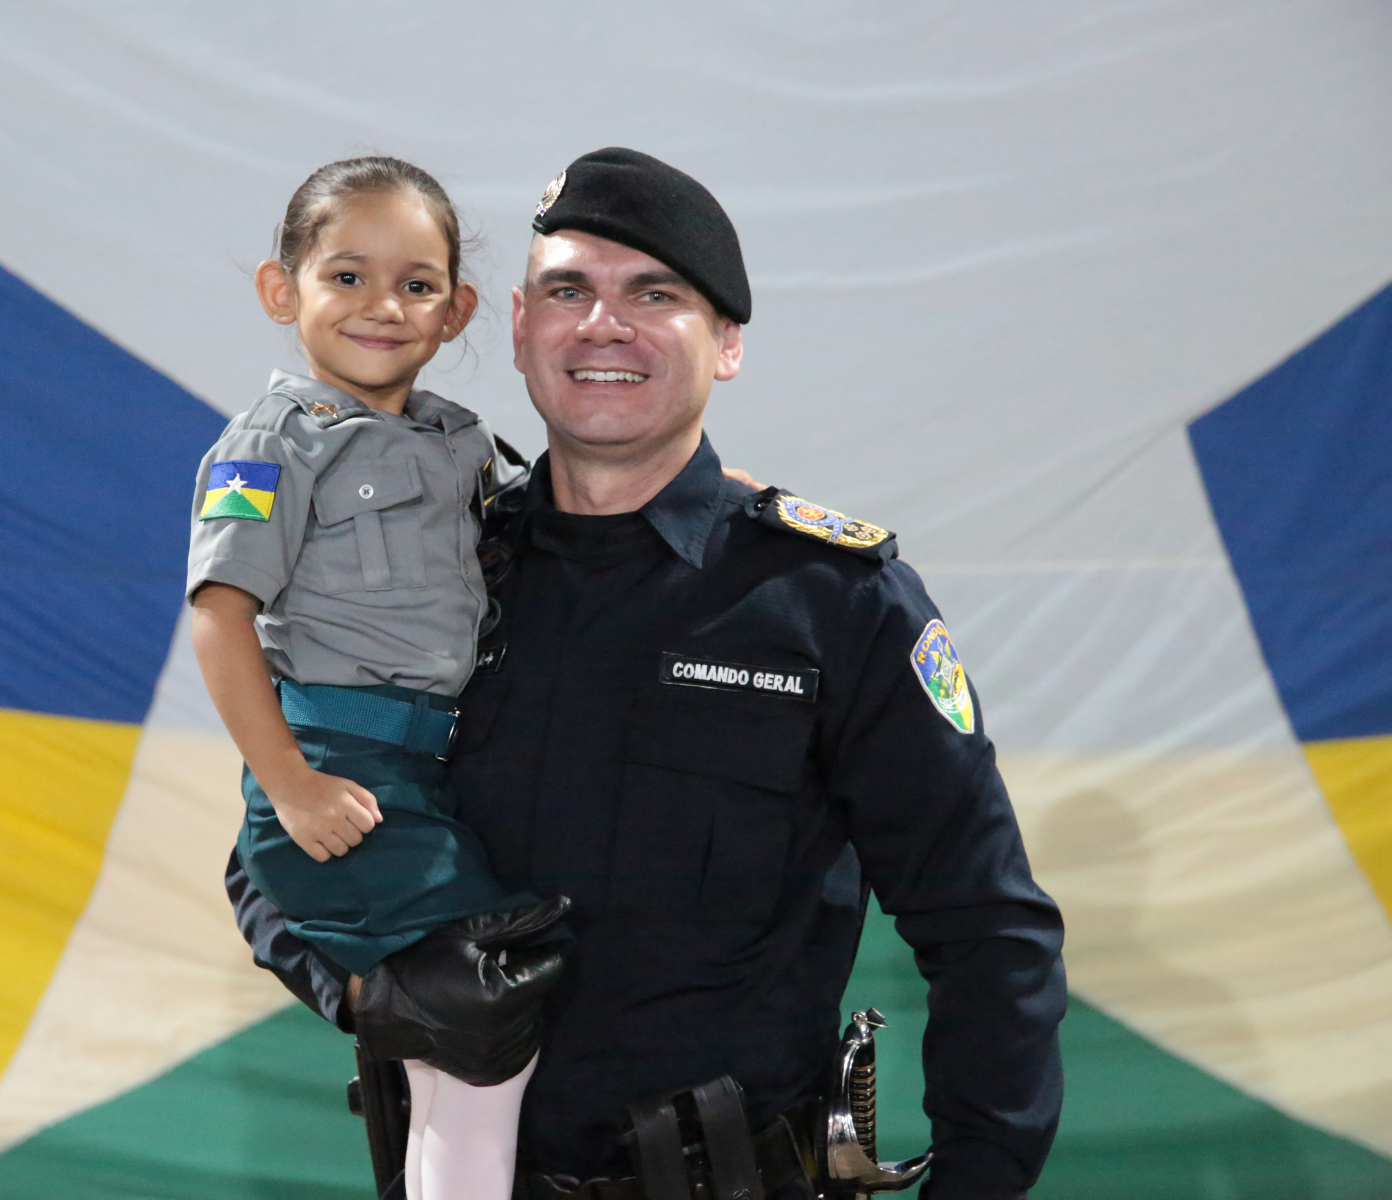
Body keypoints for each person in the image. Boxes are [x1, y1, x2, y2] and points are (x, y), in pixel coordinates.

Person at [229, 147, 1068, 1200]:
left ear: (727, 344)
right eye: (567, 291)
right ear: (519, 328)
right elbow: (274, 841)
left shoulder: (831, 601)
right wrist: (371, 991)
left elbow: (987, 928)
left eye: (655, 295)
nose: (603, 326)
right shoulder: (429, 572)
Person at [187, 157, 570, 1200]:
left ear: (457, 311)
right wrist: (289, 784)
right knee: (480, 1011)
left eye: (416, 284)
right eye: (346, 276)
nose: (382, 306)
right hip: (340, 771)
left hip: (428, 770)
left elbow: (555, 524)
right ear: (283, 291)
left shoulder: (457, 442)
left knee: (459, 1041)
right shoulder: (272, 444)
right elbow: (219, 618)